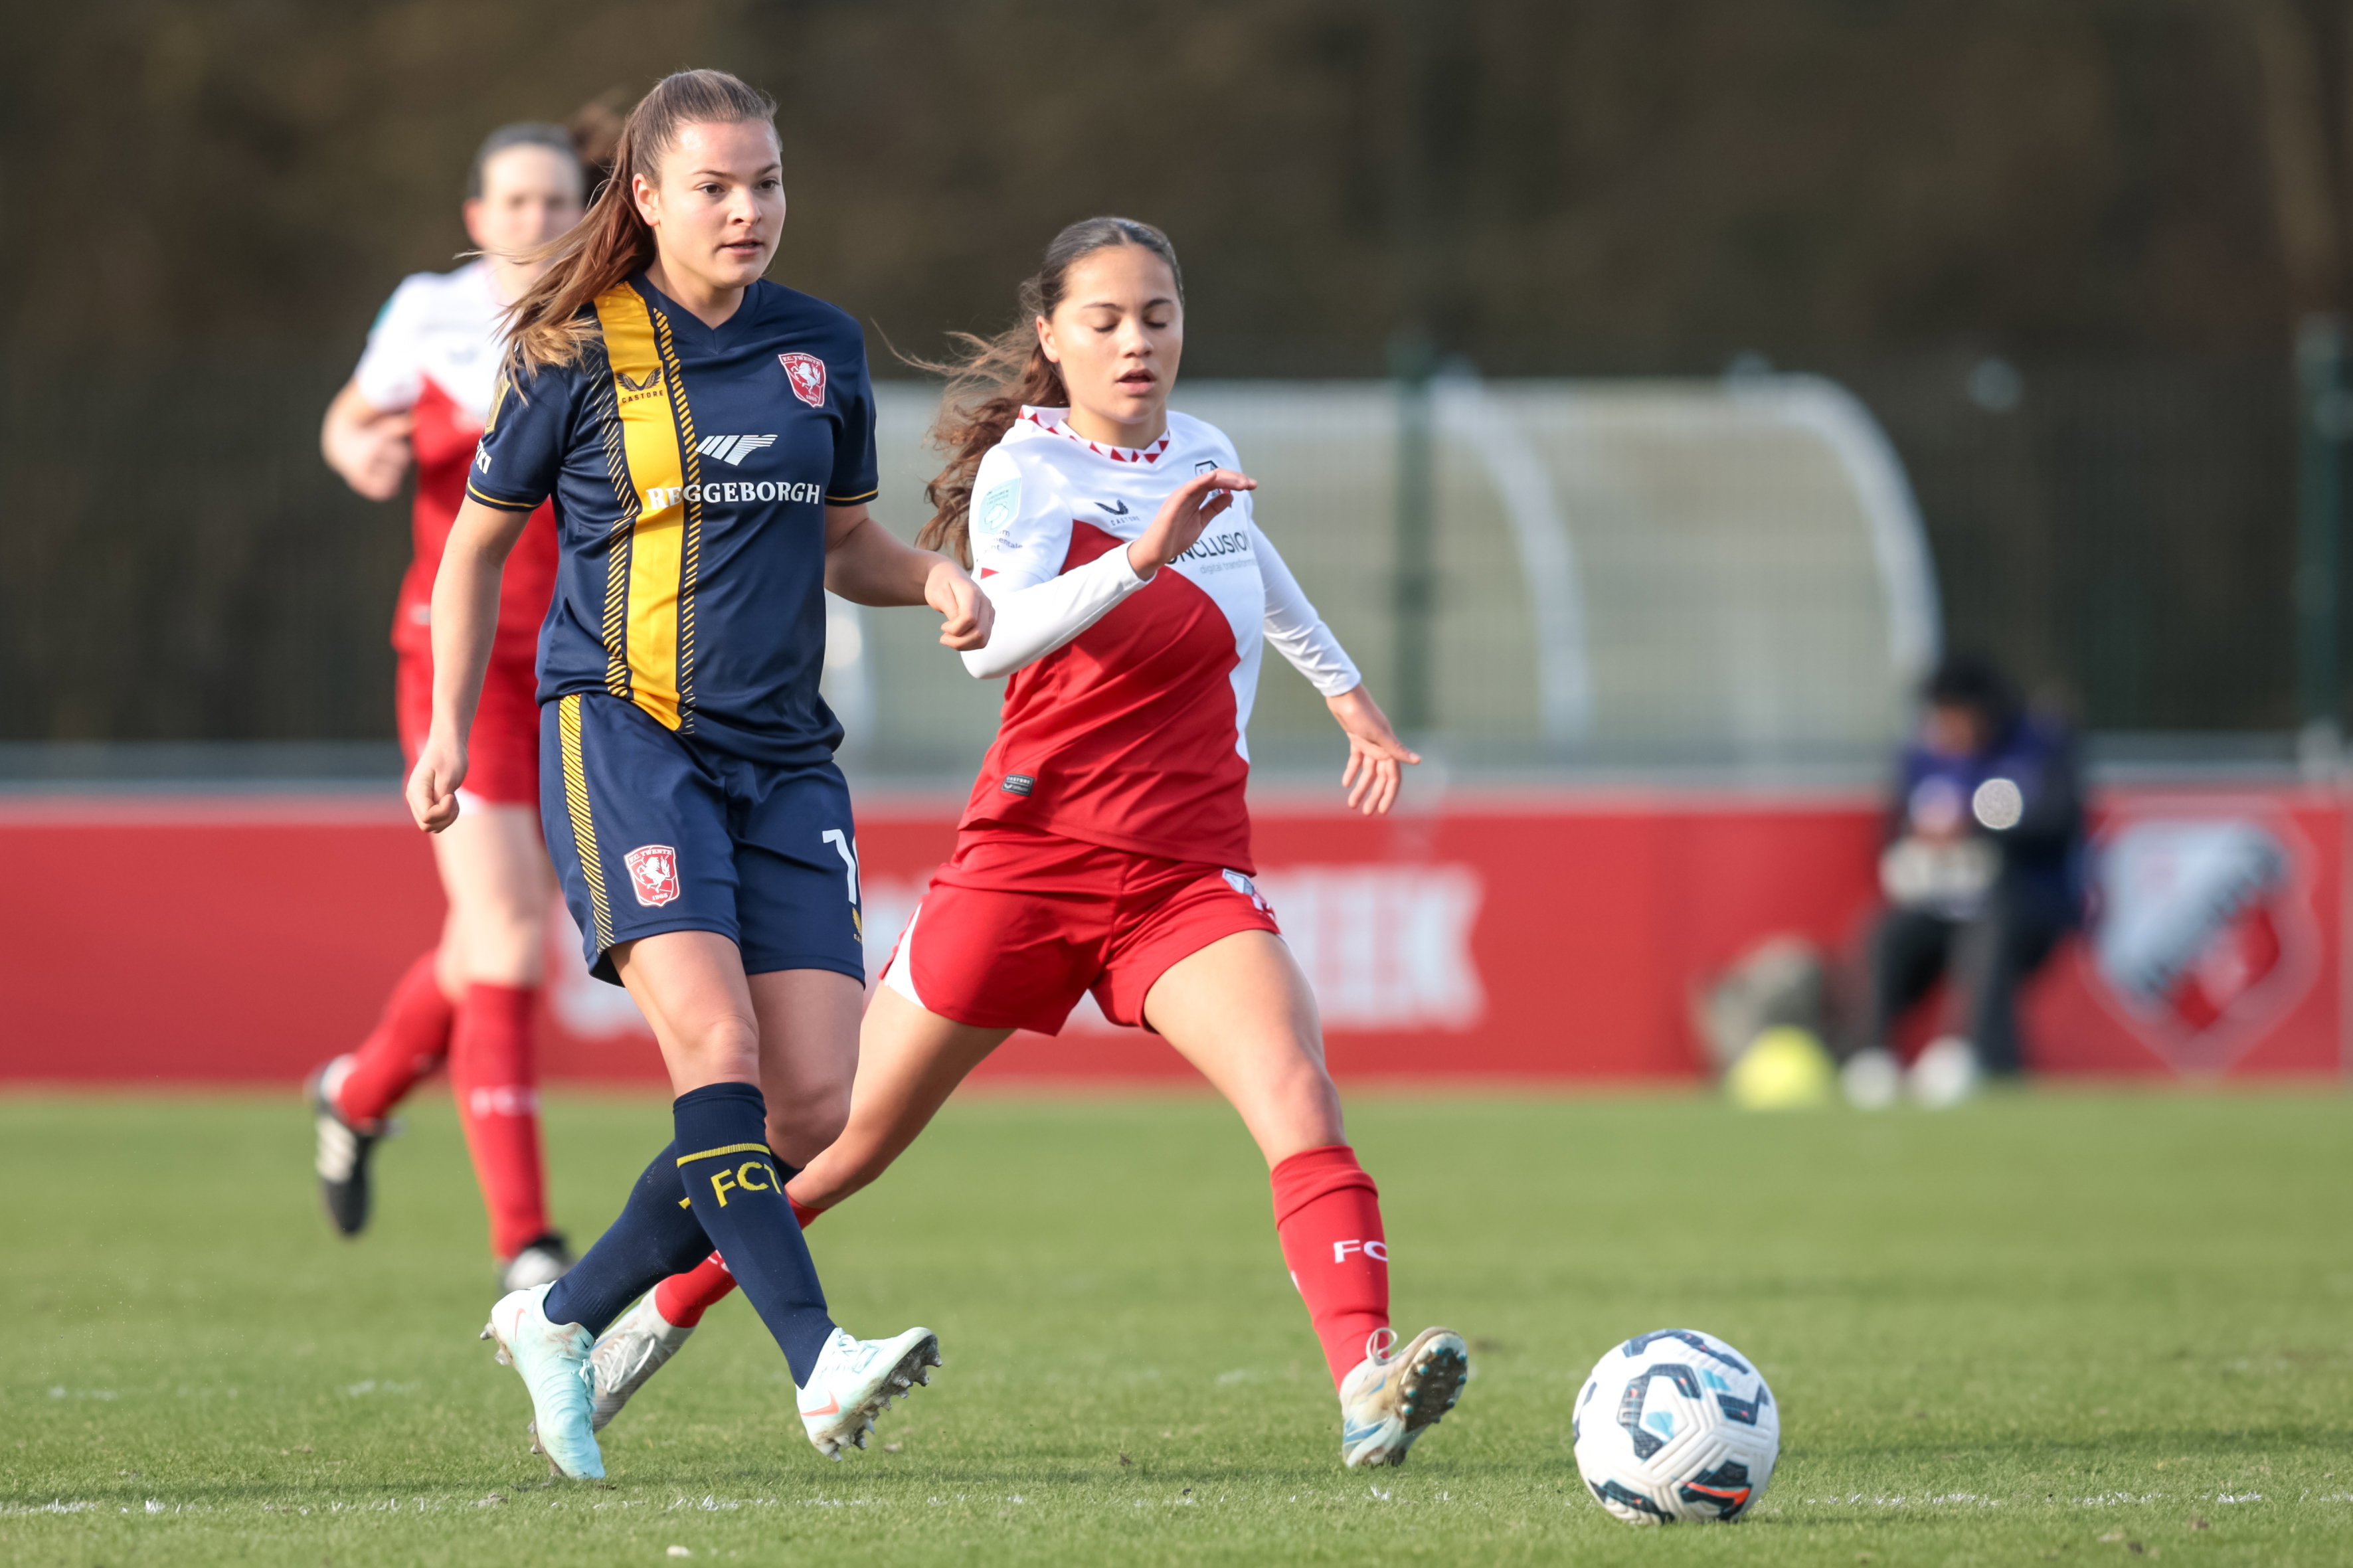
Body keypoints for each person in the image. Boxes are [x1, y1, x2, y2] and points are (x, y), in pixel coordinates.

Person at [590, 216, 1474, 1472]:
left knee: (1296, 1092)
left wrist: (1343, 690)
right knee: (841, 1142)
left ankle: (1364, 1385)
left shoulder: (1204, 453)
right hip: (1026, 865)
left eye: (1157, 317)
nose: (1136, 342)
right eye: (1105, 320)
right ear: (1050, 337)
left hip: (1182, 872)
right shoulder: (1028, 470)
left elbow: (1250, 555)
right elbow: (992, 639)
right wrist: (1137, 561)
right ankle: (659, 1312)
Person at [408, 69, 991, 1477]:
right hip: (620, 732)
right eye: (717, 187)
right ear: (649, 198)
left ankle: (559, 1314)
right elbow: (477, 544)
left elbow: (845, 543)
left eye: (767, 184)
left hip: (785, 759)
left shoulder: (820, 347)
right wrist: (441, 726)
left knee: (811, 1103)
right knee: (715, 1053)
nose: (747, 210)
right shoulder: (572, 350)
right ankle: (818, 1359)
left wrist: (935, 579)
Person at [311, 122, 588, 1290]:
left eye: (555, 201)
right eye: (514, 202)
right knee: (511, 936)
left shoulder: (614, 319)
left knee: (488, 936)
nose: (534, 220)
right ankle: (524, 1242)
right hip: (456, 661)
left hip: (578, 662)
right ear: (476, 218)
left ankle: (359, 1091)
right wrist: (355, 453)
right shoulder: (429, 311)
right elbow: (350, 418)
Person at [1844, 653, 2085, 1108]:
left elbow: (2056, 820)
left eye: (1954, 715)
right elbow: (1890, 835)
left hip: (2026, 906)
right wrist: (1916, 844)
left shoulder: (2037, 747)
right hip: (1941, 903)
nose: (1945, 728)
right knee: (1882, 932)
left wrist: (1975, 825)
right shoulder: (1921, 758)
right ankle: (1869, 1058)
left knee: (1990, 930)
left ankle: (1973, 1056)